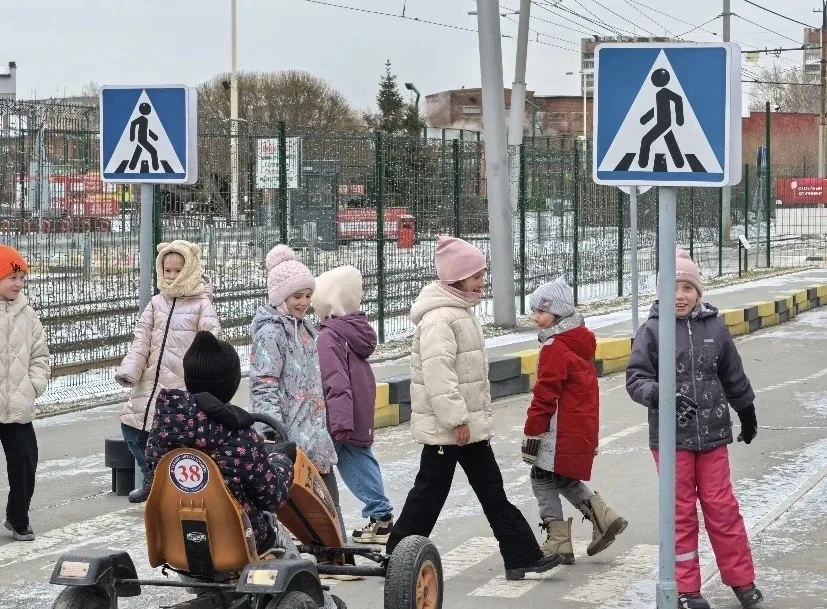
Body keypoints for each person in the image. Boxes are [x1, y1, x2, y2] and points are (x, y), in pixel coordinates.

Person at [386, 236, 563, 581]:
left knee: (490, 491)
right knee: (429, 495)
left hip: (466, 427)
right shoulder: (440, 319)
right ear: (457, 279)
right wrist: (456, 420)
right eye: (477, 276)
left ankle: (521, 556)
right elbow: (439, 375)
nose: (483, 282)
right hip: (451, 428)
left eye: (483, 274)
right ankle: (397, 558)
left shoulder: (459, 312)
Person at [626, 249, 763, 609]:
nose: (680, 295)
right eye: (672, 288)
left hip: (714, 436)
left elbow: (732, 374)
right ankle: (686, 588)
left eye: (687, 288)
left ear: (698, 292)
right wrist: (659, 395)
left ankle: (742, 580)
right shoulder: (651, 331)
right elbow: (636, 379)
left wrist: (746, 410)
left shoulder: (715, 328)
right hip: (672, 440)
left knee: (723, 508)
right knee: (680, 513)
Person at [144, 331, 296, 555]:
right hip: (239, 542)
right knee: (280, 538)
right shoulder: (242, 437)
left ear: (189, 379)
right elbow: (273, 497)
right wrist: (281, 460)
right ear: (231, 384)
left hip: (176, 541)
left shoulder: (163, 428)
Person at [522, 277, 627, 564]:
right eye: (533, 311)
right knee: (562, 477)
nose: (535, 318)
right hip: (578, 424)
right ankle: (604, 517)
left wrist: (533, 431)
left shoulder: (555, 347)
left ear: (557, 312)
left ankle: (558, 542)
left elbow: (545, 394)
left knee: (541, 478)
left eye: (540, 312)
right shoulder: (579, 341)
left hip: (558, 429)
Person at [116, 240, 220, 504]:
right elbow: (141, 339)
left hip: (179, 387)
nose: (171, 276)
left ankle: (175, 487)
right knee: (132, 430)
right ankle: (152, 477)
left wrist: (199, 385)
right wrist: (131, 370)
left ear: (190, 270)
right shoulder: (156, 303)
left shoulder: (202, 305)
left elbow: (210, 345)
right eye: (167, 270)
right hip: (149, 383)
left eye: (177, 270)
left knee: (172, 439)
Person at [250, 245, 342, 529]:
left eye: (308, 296)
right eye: (297, 296)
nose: (304, 303)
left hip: (314, 434)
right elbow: (264, 384)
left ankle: (336, 549)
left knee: (329, 505)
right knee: (292, 510)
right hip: (288, 437)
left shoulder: (305, 330)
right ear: (280, 297)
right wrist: (273, 432)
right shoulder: (271, 333)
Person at [313, 265, 394, 544]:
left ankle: (322, 527)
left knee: (320, 467)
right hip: (356, 409)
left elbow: (335, 381)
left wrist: (339, 423)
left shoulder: (328, 336)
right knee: (360, 459)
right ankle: (381, 518)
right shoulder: (354, 329)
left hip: (340, 415)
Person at [0, 245, 50, 542]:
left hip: (18, 405)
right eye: (12, 277)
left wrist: (34, 385)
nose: (18, 284)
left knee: (25, 464)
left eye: (22, 278)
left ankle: (18, 519)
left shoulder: (28, 315)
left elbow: (39, 355)